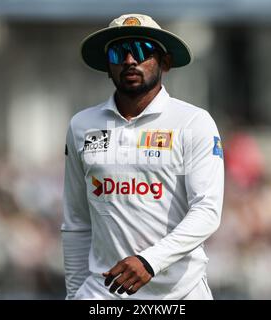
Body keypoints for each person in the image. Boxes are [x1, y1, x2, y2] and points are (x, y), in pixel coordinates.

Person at [62, 13, 224, 300]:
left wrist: (151, 261)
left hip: (180, 293)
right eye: (118, 52)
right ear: (107, 66)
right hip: (103, 294)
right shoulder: (81, 125)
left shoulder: (193, 121)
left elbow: (207, 212)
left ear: (165, 62)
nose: (129, 61)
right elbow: (76, 222)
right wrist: (75, 294)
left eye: (141, 51)